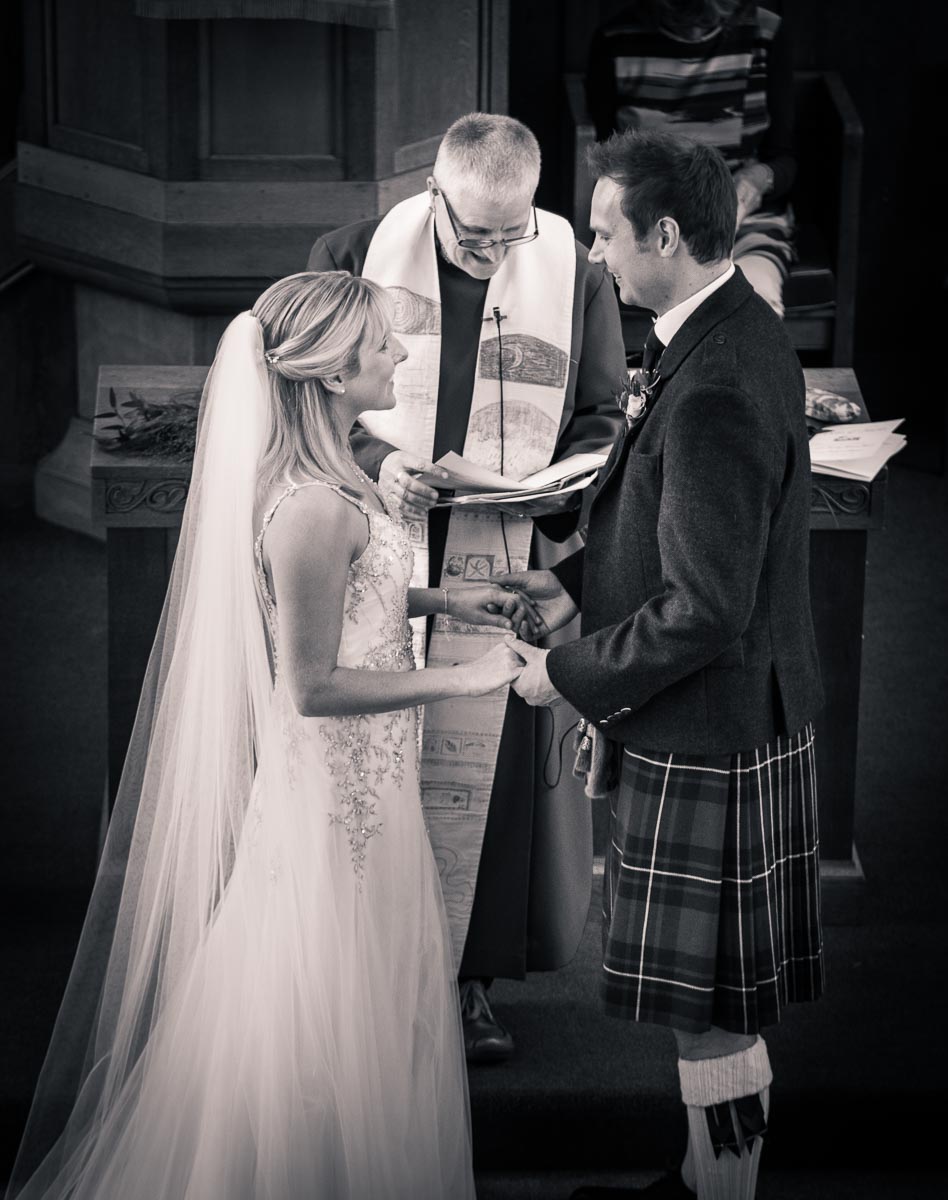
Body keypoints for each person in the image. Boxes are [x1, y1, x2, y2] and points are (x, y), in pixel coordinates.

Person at [6, 271, 534, 1200]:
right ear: (331, 372)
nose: (400, 356)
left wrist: (445, 600)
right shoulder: (310, 506)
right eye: (381, 344)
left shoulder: (335, 479)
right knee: (319, 1010)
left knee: (361, 998)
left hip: (368, 787)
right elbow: (313, 684)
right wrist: (466, 676)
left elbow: (354, 595)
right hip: (333, 802)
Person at [497, 130, 824, 1199]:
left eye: (606, 234)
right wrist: (576, 584)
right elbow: (678, 529)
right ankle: (699, 1183)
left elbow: (707, 607)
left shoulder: (718, 377)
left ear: (667, 235)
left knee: (709, 1010)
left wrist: (570, 673)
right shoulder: (725, 328)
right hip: (727, 714)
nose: (594, 254)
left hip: (709, 724)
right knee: (712, 1000)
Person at [307, 113, 626, 1062]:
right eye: (472, 234)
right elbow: (306, 395)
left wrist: (549, 490)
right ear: (433, 194)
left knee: (487, 774)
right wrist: (378, 461)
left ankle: (467, 980)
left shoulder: (573, 271)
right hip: (377, 537)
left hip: (504, 542)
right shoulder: (355, 255)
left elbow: (603, 414)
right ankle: (356, 976)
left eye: (509, 235)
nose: (490, 255)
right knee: (368, 764)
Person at [585, 0, 795, 316]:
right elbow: (610, 163)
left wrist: (755, 181)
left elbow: (784, 158)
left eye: (708, 19)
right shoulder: (616, 40)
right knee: (678, 303)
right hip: (649, 223)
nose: (696, 33)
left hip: (744, 225)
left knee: (754, 305)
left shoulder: (765, 35)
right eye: (681, 17)